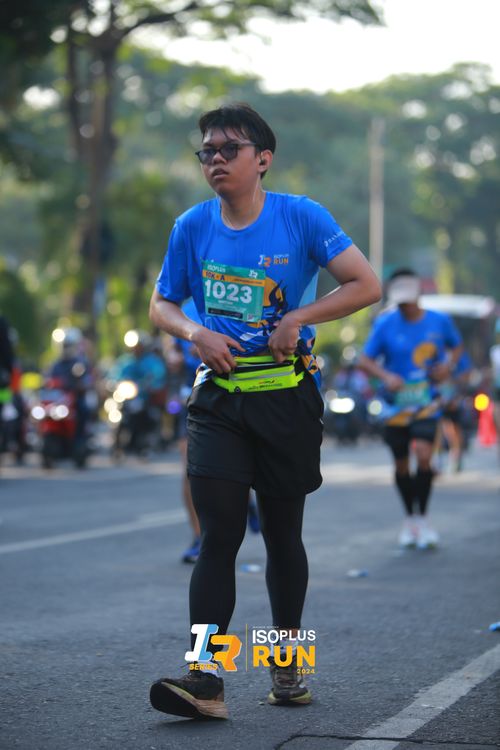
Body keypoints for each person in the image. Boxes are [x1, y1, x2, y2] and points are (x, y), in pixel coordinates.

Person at [148, 102, 381, 720]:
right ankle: (206, 677)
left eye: (230, 149)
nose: (216, 160)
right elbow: (162, 304)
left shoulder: (301, 216)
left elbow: (365, 284)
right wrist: (196, 332)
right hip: (219, 399)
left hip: (286, 397)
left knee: (282, 537)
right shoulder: (192, 226)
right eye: (207, 151)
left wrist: (299, 316)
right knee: (218, 536)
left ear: (263, 160)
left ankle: (287, 663)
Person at [358, 269, 463, 550]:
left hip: (428, 402)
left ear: (418, 292)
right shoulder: (385, 323)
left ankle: (424, 518)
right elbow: (364, 360)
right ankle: (411, 519)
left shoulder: (440, 320)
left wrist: (448, 366)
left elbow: (456, 347)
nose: (405, 304)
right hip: (395, 406)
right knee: (402, 464)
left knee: (424, 455)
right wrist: (386, 376)